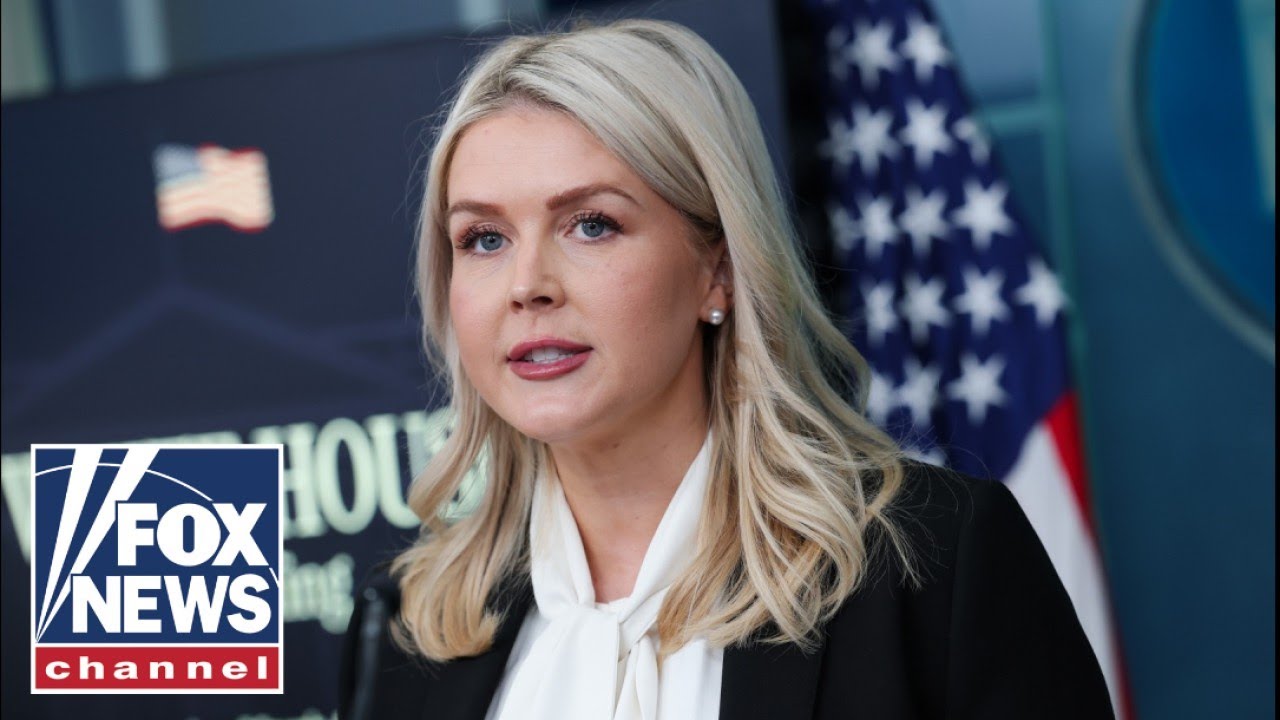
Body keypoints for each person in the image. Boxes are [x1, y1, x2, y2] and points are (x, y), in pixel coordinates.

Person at [339, 17, 1114, 720]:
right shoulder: (404, 624)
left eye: (591, 224)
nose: (527, 284)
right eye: (483, 239)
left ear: (718, 270)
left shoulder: (933, 564)